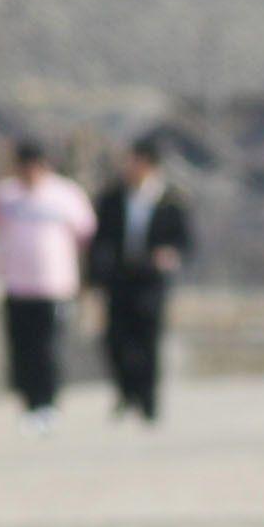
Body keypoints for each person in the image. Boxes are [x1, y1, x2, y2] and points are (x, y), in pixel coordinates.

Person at [0, 139, 96, 433]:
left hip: (55, 286)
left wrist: (86, 280)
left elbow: (86, 234)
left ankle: (49, 402)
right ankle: (28, 404)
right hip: (16, 285)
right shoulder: (6, 195)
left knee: (48, 348)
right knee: (22, 350)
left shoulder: (65, 194)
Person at [89, 132, 193, 423]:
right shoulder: (112, 197)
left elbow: (183, 239)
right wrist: (96, 276)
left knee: (148, 339)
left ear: (148, 165)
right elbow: (101, 240)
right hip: (119, 278)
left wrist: (170, 254)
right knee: (116, 339)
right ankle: (125, 391)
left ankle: (148, 400)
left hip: (151, 280)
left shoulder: (170, 199)